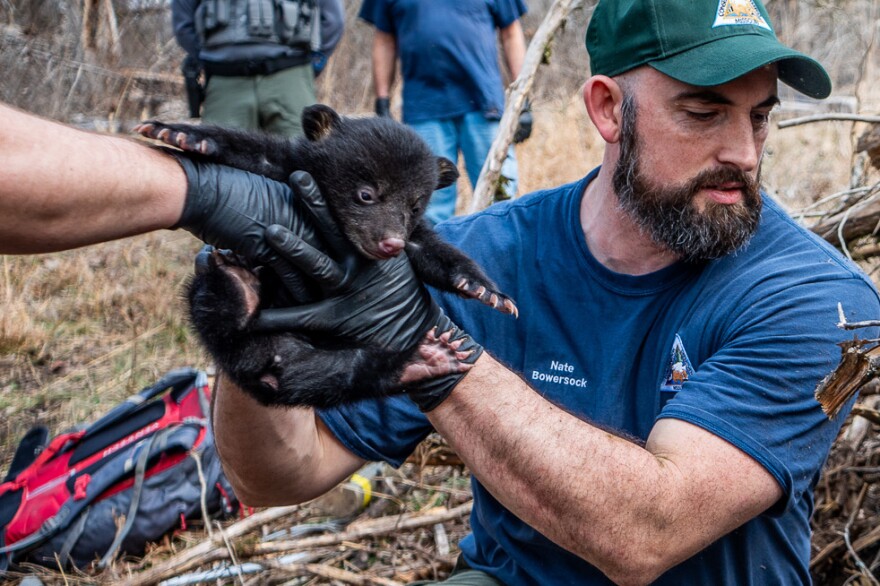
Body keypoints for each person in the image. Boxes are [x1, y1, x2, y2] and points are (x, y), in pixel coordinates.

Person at [209, 0, 880, 584]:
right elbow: (279, 474)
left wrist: (417, 338)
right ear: (608, 109)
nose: (745, 152)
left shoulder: (820, 301)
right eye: (704, 113)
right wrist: (248, 315)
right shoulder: (490, 256)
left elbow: (649, 532)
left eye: (759, 118)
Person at [360, 0, 530, 225]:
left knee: (501, 198)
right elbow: (384, 39)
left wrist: (523, 99)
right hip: (424, 109)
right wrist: (382, 99)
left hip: (483, 104)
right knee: (428, 209)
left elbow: (511, 32)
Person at [172, 0, 345, 137]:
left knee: (306, 163)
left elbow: (332, 22)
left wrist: (306, 68)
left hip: (289, 75)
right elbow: (184, 26)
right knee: (217, 167)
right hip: (227, 81)